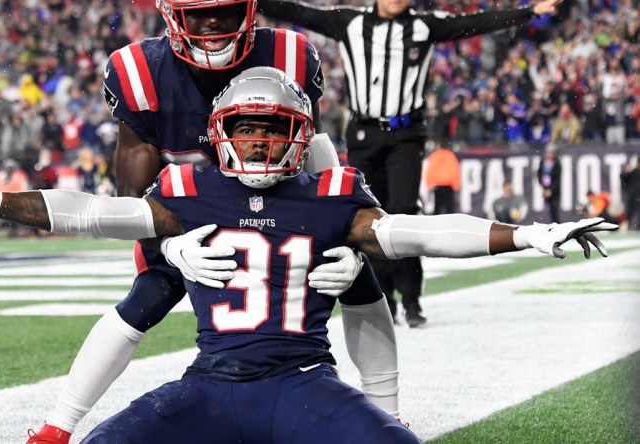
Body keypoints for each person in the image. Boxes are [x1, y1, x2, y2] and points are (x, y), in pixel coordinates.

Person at [0, 69, 616, 444]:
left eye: (276, 132)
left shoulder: (333, 194)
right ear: (219, 133)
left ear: (301, 135)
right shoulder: (186, 190)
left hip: (301, 381)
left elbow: (415, 233)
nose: (263, 143)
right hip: (207, 383)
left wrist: (525, 234)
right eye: (249, 130)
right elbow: (94, 211)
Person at [36, 1, 397, 440]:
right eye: (200, 11)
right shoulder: (140, 70)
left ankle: (380, 409)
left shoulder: (288, 54)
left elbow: (309, 152)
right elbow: (135, 205)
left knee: (352, 278)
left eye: (225, 9)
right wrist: (169, 246)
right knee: (147, 297)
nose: (212, 22)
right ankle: (59, 425)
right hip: (194, 220)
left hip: (279, 206)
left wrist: (338, 231)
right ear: (173, 15)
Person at [257, 0, 564, 328]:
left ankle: (412, 300)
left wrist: (529, 12)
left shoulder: (424, 25)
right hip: (364, 133)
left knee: (403, 211)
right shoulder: (350, 22)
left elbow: (476, 22)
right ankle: (384, 299)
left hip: (406, 135)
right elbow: (300, 12)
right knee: (368, 217)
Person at [424, 145, 460, 215]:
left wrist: (429, 185)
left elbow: (430, 171)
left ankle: (436, 224)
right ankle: (450, 224)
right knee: (449, 209)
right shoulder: (450, 156)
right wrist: (456, 185)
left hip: (437, 186)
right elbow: (455, 170)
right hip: (448, 186)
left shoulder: (434, 156)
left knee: (437, 209)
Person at [538, 146, 562, 223]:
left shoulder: (557, 164)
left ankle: (555, 224)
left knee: (554, 209)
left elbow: (557, 179)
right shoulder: (543, 162)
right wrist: (543, 186)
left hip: (554, 191)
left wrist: (551, 189)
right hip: (546, 189)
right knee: (549, 210)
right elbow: (539, 173)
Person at [620, 154, 640, 230]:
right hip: (634, 197)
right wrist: (627, 172)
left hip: (634, 196)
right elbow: (623, 178)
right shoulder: (633, 172)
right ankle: (631, 226)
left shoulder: (634, 172)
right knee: (630, 214)